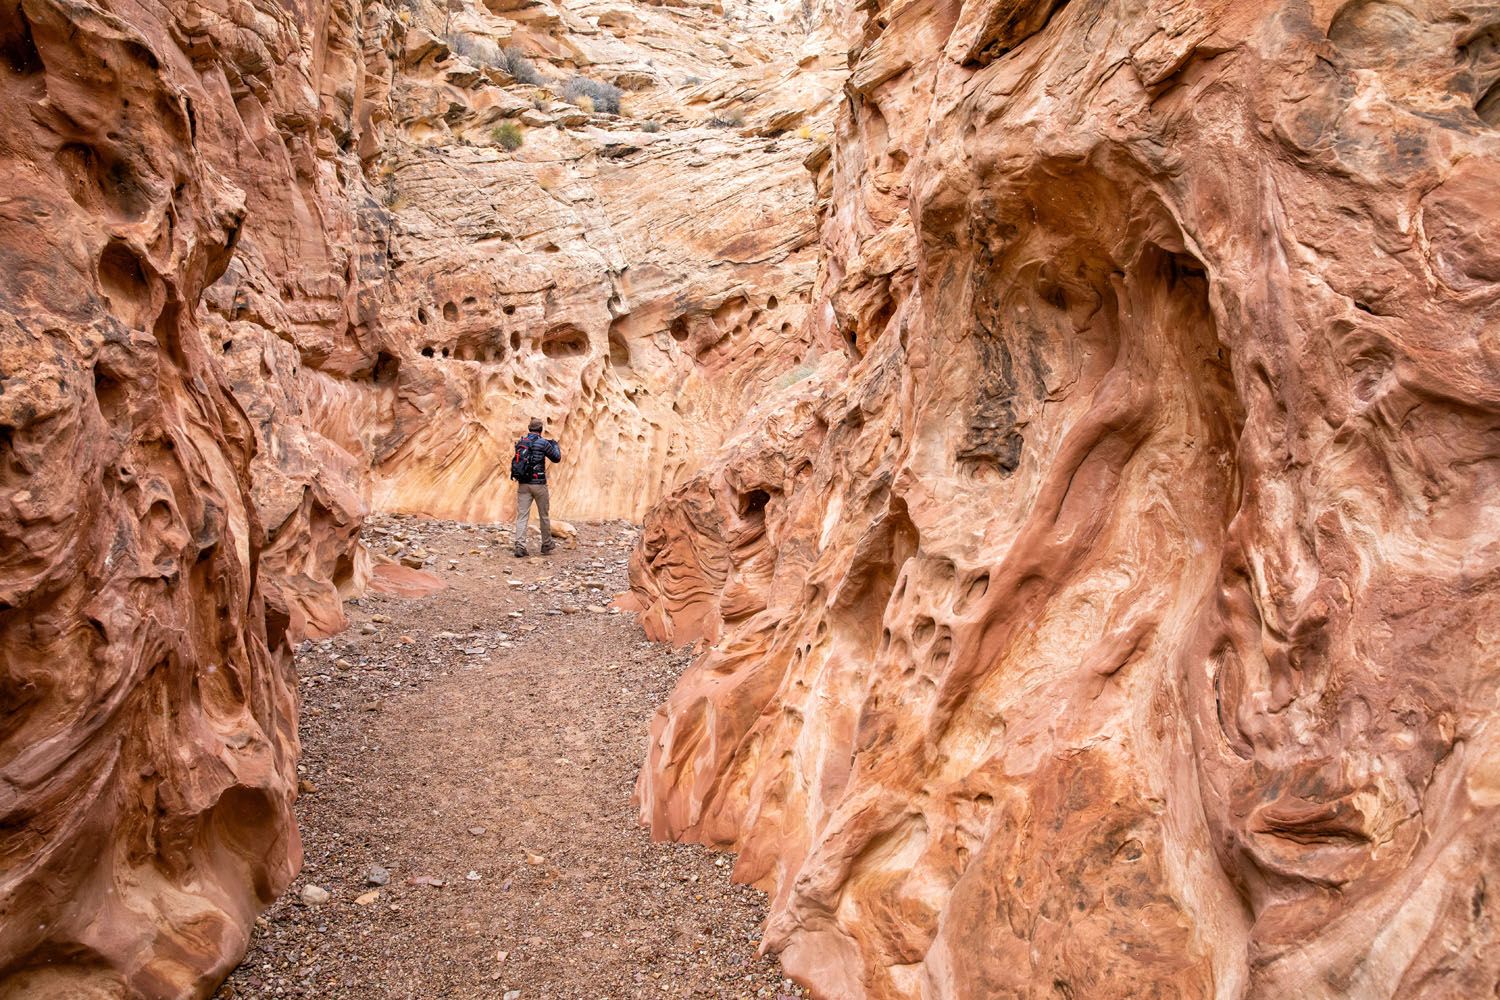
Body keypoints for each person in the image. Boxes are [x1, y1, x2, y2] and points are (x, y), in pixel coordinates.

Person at [510, 417, 563, 557]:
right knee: (543, 515)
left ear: (529, 428)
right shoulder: (543, 443)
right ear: (541, 429)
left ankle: (520, 546)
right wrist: (555, 445)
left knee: (522, 516)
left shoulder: (522, 442)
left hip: (523, 484)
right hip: (539, 484)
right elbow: (556, 458)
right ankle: (546, 544)